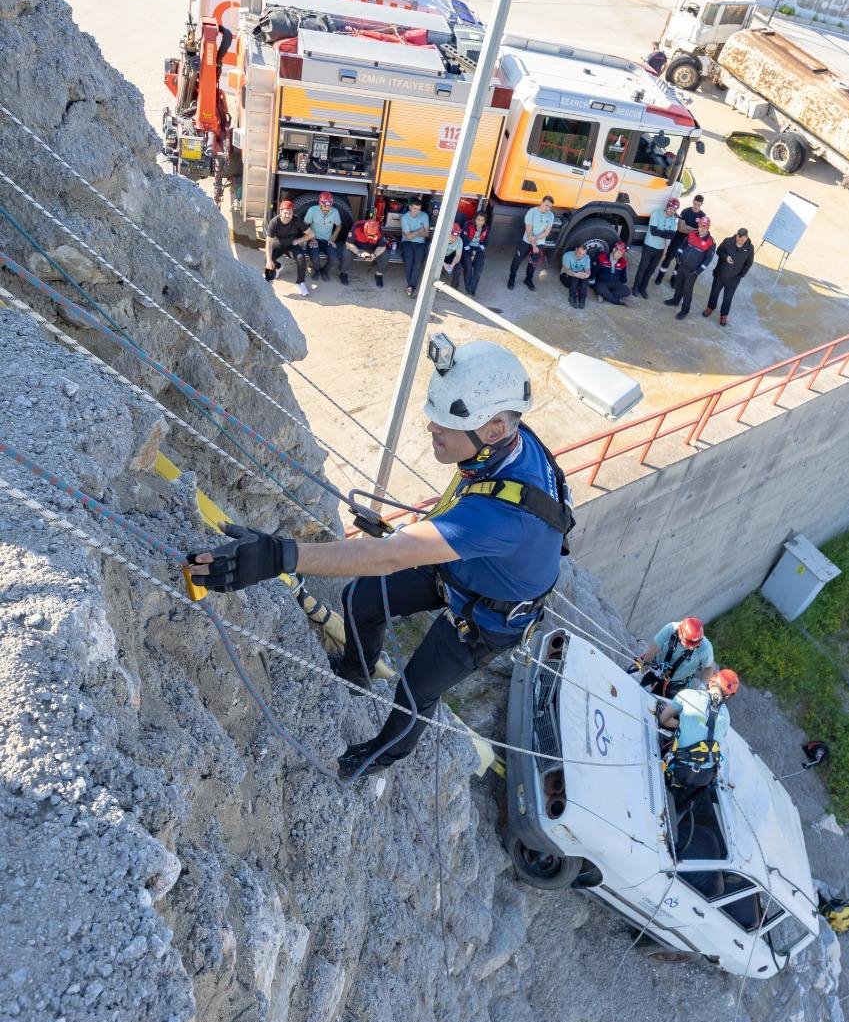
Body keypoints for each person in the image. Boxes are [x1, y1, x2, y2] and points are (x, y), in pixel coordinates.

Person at [187, 340, 574, 783]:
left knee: (416, 689)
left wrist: (279, 556)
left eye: (448, 422)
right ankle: (358, 667)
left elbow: (389, 557)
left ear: (494, 430)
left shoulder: (504, 516)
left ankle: (378, 757)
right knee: (360, 598)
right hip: (464, 570)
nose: (432, 426)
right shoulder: (507, 449)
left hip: (490, 616)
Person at [660, 668, 740, 810]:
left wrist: (682, 724)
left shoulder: (687, 694)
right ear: (728, 696)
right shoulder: (726, 716)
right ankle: (680, 807)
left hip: (680, 768)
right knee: (683, 798)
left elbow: (663, 719)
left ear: (711, 682)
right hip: (705, 777)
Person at [635, 615, 715, 698]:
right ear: (680, 633)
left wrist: (702, 685)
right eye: (687, 644)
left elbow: (710, 667)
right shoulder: (669, 629)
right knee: (634, 688)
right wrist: (641, 673)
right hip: (655, 670)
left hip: (675, 683)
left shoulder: (705, 648)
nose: (691, 647)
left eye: (694, 646)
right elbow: (652, 652)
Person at [665, 216, 715, 319]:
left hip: (693, 271)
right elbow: (683, 245)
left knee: (687, 291)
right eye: (701, 226)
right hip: (682, 265)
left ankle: (684, 311)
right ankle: (675, 300)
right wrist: (678, 255)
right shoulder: (692, 233)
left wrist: (698, 271)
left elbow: (708, 260)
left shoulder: (711, 242)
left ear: (708, 228)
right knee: (678, 284)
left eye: (704, 227)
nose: (702, 228)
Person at [703, 227, 754, 326]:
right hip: (720, 274)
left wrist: (741, 275)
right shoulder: (727, 241)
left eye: (743, 240)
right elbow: (718, 251)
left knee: (728, 297)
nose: (740, 241)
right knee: (714, 292)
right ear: (736, 235)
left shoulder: (750, 248)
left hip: (734, 278)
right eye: (739, 239)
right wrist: (726, 257)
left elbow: (749, 263)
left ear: (746, 237)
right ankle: (710, 307)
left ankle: (724, 315)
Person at [263, 199, 314, 297]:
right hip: (279, 243)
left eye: (290, 213)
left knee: (301, 258)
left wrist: (298, 241)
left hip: (292, 244)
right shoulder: (274, 223)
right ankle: (277, 267)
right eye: (285, 213)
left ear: (292, 213)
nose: (287, 215)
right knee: (267, 259)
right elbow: (269, 243)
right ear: (280, 212)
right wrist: (269, 261)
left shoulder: (296, 220)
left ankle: (300, 283)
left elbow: (311, 234)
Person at [633, 197, 680, 298]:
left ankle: (643, 288)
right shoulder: (656, 213)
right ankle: (635, 287)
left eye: (674, 210)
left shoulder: (673, 221)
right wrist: (666, 233)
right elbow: (653, 232)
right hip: (649, 246)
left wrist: (663, 233)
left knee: (651, 270)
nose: (672, 211)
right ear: (667, 207)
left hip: (660, 249)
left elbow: (672, 235)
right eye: (671, 208)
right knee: (642, 268)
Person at [655, 193, 706, 285]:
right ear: (693, 201)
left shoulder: (703, 216)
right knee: (669, 258)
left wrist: (688, 228)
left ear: (701, 204)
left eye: (698, 204)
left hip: (689, 243)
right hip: (678, 239)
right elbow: (680, 228)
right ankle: (659, 277)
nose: (696, 206)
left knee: (681, 262)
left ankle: (673, 280)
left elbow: (699, 232)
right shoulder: (686, 211)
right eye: (695, 203)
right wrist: (693, 230)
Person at [507, 196, 555, 291]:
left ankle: (528, 279)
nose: (548, 208)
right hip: (527, 241)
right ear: (541, 202)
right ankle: (511, 278)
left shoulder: (551, 215)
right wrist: (534, 246)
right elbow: (529, 232)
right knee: (517, 260)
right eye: (546, 205)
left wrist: (536, 240)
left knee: (534, 263)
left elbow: (547, 232)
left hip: (540, 242)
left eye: (550, 207)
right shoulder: (532, 212)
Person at [305, 191, 348, 285]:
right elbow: (305, 225)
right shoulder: (312, 210)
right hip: (314, 239)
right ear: (320, 203)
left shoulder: (335, 211)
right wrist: (311, 238)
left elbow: (339, 226)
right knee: (315, 258)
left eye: (329, 204)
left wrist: (332, 239)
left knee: (334, 259)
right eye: (325, 204)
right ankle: (316, 271)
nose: (327, 207)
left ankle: (324, 271)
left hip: (327, 240)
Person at [348, 211, 389, 288]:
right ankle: (344, 273)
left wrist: (374, 255)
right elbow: (348, 243)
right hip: (358, 246)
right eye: (369, 235)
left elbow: (382, 246)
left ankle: (379, 275)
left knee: (385, 255)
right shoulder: (357, 226)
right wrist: (359, 252)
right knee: (346, 252)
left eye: (373, 235)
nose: (370, 237)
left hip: (373, 247)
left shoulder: (379, 229)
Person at [399, 197, 431, 297]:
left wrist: (413, 233)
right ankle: (412, 287)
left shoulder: (424, 215)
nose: (417, 211)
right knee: (409, 262)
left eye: (419, 209)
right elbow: (408, 237)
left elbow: (426, 234)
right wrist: (420, 230)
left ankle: (411, 287)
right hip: (407, 243)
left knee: (418, 263)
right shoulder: (405, 218)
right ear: (410, 207)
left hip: (420, 244)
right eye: (414, 208)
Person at [592, 239, 630, 305]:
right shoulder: (602, 258)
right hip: (602, 282)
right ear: (614, 250)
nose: (619, 256)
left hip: (615, 283)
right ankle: (616, 301)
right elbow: (594, 272)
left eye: (621, 254)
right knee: (599, 288)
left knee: (627, 291)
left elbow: (623, 277)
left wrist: (621, 283)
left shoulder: (623, 262)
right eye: (618, 253)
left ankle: (605, 295)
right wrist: (592, 281)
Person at [461, 212, 490, 296]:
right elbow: (464, 241)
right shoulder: (467, 225)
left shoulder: (486, 228)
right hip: (467, 249)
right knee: (468, 267)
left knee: (478, 268)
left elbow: (485, 243)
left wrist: (476, 252)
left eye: (482, 220)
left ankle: (470, 290)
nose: (480, 222)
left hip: (478, 250)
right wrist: (471, 253)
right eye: (478, 219)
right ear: (474, 219)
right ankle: (469, 291)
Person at [560, 242, 591, 309]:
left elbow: (588, 270)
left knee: (585, 279)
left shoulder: (587, 257)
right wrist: (576, 274)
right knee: (575, 277)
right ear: (576, 249)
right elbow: (567, 270)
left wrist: (587, 275)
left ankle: (582, 299)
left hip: (579, 277)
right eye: (579, 253)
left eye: (583, 254)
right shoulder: (567, 255)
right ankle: (572, 297)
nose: (580, 255)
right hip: (566, 277)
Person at [442, 222, 465, 289]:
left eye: (455, 237)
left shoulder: (459, 240)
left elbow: (458, 255)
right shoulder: (442, 238)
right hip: (437, 255)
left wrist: (453, 264)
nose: (453, 239)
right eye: (451, 236)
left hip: (449, 255)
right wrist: (444, 264)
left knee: (459, 267)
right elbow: (435, 255)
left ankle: (454, 287)